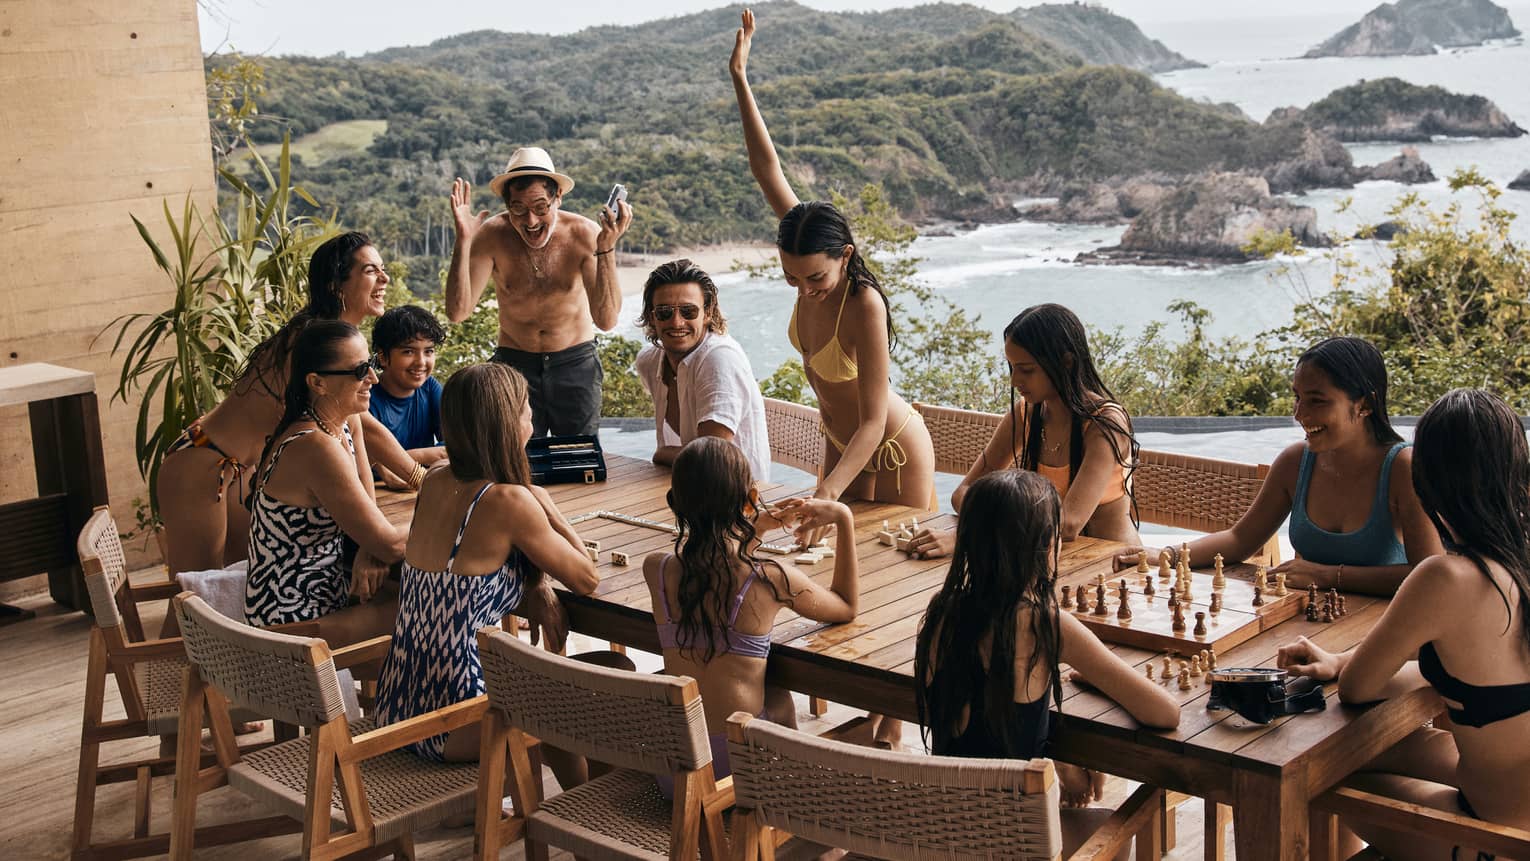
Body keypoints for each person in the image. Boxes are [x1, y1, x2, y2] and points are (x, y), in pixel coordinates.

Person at [1278, 388, 1530, 856]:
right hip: (1511, 795)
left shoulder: (1446, 577)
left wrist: (1348, 668)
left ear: (1429, 481)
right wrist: (1340, 659)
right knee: (1375, 753)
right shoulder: (1516, 562)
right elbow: (1476, 670)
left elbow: (1358, 688)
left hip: (1494, 838)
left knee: (1316, 777)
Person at [374, 363, 632, 780]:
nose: (532, 419)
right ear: (509, 423)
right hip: (460, 717)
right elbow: (587, 578)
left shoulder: (437, 480)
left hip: (399, 708)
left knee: (566, 683)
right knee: (615, 679)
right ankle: (590, 820)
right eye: (527, 409)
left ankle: (581, 814)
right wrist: (546, 504)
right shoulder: (511, 500)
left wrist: (538, 584)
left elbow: (474, 570)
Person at [729, 9, 934, 510]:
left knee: (893, 570)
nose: (804, 288)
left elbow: (872, 421)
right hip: (840, 444)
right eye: (791, 278)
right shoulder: (803, 239)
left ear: (845, 255)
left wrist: (825, 489)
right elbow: (765, 167)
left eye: (815, 278)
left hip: (889, 448)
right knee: (827, 561)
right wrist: (739, 77)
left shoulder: (864, 304)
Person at [915, 469, 1179, 838]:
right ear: (1043, 546)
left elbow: (988, 733)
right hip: (1011, 838)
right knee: (1114, 824)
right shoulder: (1044, 623)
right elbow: (1165, 713)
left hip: (947, 828)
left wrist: (1056, 761)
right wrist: (1099, 681)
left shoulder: (942, 612)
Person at [155, 231, 418, 576]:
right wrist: (419, 478)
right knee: (196, 598)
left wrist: (373, 529)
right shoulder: (312, 342)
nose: (385, 278)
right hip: (204, 461)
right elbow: (362, 426)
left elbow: (353, 427)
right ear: (337, 285)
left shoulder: (333, 338)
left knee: (238, 586)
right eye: (371, 271)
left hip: (238, 470)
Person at [1110, 336, 1441, 595]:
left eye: (1317, 401)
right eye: (1297, 397)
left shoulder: (1403, 469)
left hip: (1383, 633)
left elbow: (1429, 575)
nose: (1299, 413)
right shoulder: (1296, 461)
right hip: (1310, 623)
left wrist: (1330, 576)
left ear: (1365, 404)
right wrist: (1165, 554)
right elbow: (1240, 539)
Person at [642, 436, 859, 794]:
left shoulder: (658, 570)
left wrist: (756, 525)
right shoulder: (770, 579)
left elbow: (716, 559)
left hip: (676, 768)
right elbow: (846, 605)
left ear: (674, 503)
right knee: (785, 702)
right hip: (742, 771)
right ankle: (794, 800)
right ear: (751, 499)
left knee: (773, 696)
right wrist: (843, 519)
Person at [908, 304, 1141, 559]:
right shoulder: (1027, 414)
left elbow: (1069, 523)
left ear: (1066, 362)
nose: (1015, 381)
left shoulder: (1104, 424)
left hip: (1113, 566)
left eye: (1027, 370)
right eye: (1012, 367)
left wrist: (972, 538)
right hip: (1041, 561)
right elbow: (964, 493)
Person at [446, 147, 633, 437]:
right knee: (516, 461)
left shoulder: (585, 235)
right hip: (514, 362)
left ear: (558, 197)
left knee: (577, 459)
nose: (530, 221)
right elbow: (458, 312)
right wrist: (464, 240)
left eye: (540, 207)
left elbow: (606, 320)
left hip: (575, 362)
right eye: (518, 209)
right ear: (507, 205)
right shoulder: (492, 236)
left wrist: (606, 246)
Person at [243, 320, 407, 647]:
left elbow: (367, 505)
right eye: (360, 370)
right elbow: (390, 545)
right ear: (318, 383)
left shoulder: (341, 423)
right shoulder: (314, 447)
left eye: (372, 364)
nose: (374, 377)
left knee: (427, 597)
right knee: (436, 611)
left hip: (324, 596)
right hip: (291, 627)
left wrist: (366, 547)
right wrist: (454, 515)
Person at [634, 259, 770, 482]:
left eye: (688, 311)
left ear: (707, 313)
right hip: (686, 486)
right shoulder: (649, 362)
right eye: (664, 312)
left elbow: (711, 459)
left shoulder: (720, 359)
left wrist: (663, 453)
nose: (677, 322)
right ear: (651, 317)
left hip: (736, 495)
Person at [368, 304, 447, 483]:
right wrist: (427, 456)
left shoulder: (430, 388)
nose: (421, 362)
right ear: (382, 357)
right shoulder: (367, 397)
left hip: (419, 488)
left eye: (429, 351)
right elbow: (360, 462)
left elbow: (457, 447)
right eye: (408, 351)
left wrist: (403, 458)